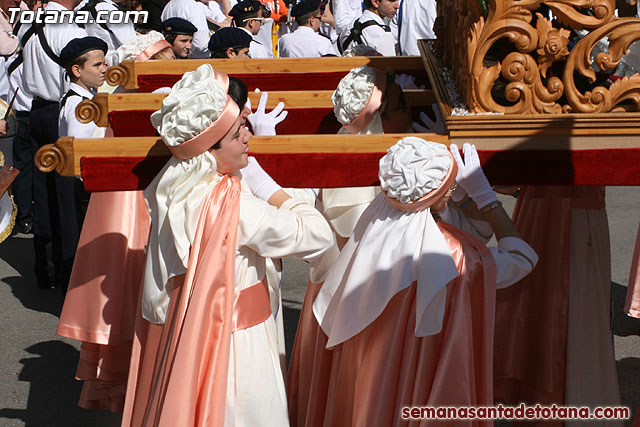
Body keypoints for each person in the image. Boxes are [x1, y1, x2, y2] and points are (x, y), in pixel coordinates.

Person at [121, 63, 335, 426]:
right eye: (239, 134)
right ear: (209, 148)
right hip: (241, 344)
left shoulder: (171, 188)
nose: (248, 136)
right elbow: (317, 235)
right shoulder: (234, 207)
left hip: (189, 334)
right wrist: (267, 183)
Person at [291, 137, 538, 427]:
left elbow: (469, 229)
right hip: (419, 385)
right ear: (439, 195)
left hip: (368, 383)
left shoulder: (367, 235)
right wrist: (485, 198)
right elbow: (522, 257)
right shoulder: (454, 257)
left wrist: (450, 197)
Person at [56, 32, 175, 412]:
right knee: (130, 287)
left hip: (159, 195)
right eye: (164, 56)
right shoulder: (123, 105)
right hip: (132, 199)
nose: (172, 62)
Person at [18, 0, 88, 289]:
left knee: (43, 193)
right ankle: (68, 271)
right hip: (61, 110)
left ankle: (46, 270)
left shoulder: (29, 23)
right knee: (66, 196)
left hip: (37, 110)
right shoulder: (69, 29)